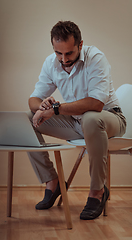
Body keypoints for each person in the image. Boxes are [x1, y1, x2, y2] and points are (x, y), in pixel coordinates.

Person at [28, 21, 126, 220]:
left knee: (90, 118)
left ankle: (97, 191)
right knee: (29, 119)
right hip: (76, 122)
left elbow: (96, 104)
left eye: (69, 53)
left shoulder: (96, 58)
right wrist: (43, 107)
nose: (64, 59)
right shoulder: (51, 62)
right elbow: (33, 100)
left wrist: (56, 110)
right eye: (58, 53)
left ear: (80, 45)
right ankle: (52, 182)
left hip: (110, 119)